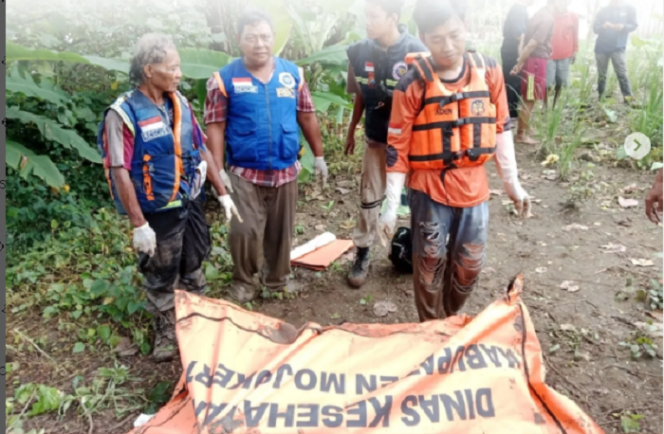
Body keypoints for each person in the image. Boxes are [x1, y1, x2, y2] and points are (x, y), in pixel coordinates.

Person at [379, 0, 531, 322]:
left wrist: (513, 184)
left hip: (474, 186)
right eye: (436, 39)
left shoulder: (489, 71)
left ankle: (450, 317)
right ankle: (430, 325)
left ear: (465, 24)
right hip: (428, 187)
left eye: (454, 35)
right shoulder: (412, 83)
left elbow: (501, 128)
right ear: (422, 36)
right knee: (429, 260)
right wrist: (390, 206)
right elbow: (397, 145)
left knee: (469, 265)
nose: (448, 47)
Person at [97, 34, 239, 362]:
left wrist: (222, 193)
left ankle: (199, 319)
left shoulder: (181, 103)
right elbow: (119, 169)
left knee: (194, 260)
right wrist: (138, 224)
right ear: (149, 69)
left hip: (189, 201)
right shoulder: (123, 113)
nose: (179, 73)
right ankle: (165, 330)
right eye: (171, 68)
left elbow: (200, 146)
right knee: (161, 274)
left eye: (179, 67)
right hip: (156, 210)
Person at [205, 8, 328, 304]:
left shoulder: (292, 75)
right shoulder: (224, 79)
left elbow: (307, 117)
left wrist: (319, 156)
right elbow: (215, 126)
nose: (259, 43)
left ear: (273, 38)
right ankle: (244, 283)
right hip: (243, 171)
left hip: (285, 169)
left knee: (281, 231)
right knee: (244, 231)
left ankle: (276, 281)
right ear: (240, 40)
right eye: (251, 37)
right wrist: (218, 170)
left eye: (264, 36)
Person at [344, 0, 428, 289]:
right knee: (369, 197)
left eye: (374, 16)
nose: (367, 21)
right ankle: (363, 252)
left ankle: (422, 252)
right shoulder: (358, 52)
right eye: (366, 15)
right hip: (377, 137)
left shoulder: (417, 51)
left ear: (392, 17)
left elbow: (431, 99)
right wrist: (352, 128)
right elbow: (359, 94)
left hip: (414, 143)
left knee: (419, 198)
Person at [510, 0, 557, 145]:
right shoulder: (547, 18)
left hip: (533, 61)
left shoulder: (538, 14)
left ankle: (526, 128)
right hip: (536, 62)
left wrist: (521, 61)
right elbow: (531, 44)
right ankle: (520, 135)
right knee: (529, 98)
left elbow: (524, 40)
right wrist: (519, 62)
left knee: (531, 97)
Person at [593, 0, 637, 103]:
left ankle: (628, 98)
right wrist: (603, 26)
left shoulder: (629, 9)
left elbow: (634, 25)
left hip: (618, 47)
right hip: (601, 47)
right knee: (602, 74)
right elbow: (595, 29)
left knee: (621, 73)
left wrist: (623, 27)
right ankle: (601, 98)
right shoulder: (603, 11)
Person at [500, 0, 535, 122]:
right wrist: (521, 57)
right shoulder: (519, 10)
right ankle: (511, 114)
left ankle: (510, 112)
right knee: (513, 82)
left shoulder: (521, 10)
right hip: (513, 51)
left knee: (514, 82)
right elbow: (519, 34)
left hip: (513, 51)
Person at [547, 0, 578, 109]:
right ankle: (546, 106)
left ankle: (555, 105)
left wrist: (575, 50)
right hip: (549, 54)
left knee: (560, 82)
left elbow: (575, 33)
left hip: (565, 54)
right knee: (548, 83)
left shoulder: (573, 16)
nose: (561, 3)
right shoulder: (548, 14)